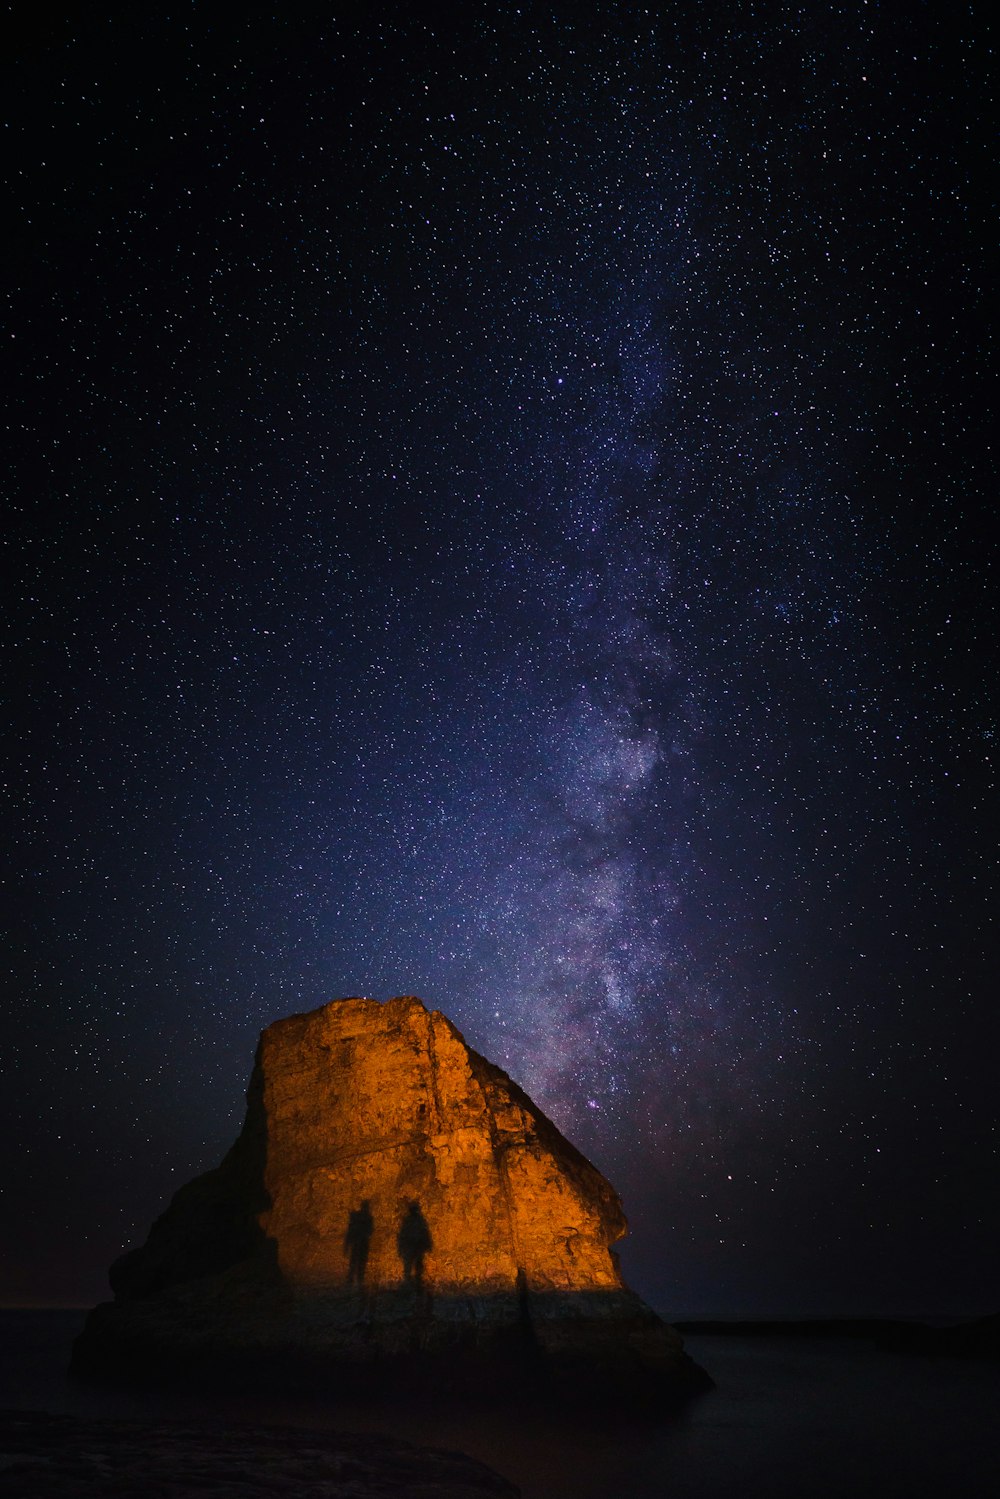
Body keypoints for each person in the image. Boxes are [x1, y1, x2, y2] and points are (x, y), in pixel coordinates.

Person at [396, 1200, 432, 1286]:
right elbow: (402, 1235)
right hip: (413, 1247)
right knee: (412, 1266)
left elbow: (425, 1233)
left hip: (415, 1247)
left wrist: (400, 1248)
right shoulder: (414, 1221)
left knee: (415, 1266)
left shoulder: (413, 1221)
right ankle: (411, 1282)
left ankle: (415, 1282)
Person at [343, 1200, 374, 1285]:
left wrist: (346, 1245)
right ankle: (358, 1280)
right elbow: (370, 1232)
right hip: (362, 1244)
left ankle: (352, 1280)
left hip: (358, 1243)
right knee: (360, 1263)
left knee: (355, 1262)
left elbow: (350, 1232)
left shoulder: (357, 1216)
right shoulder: (368, 1218)